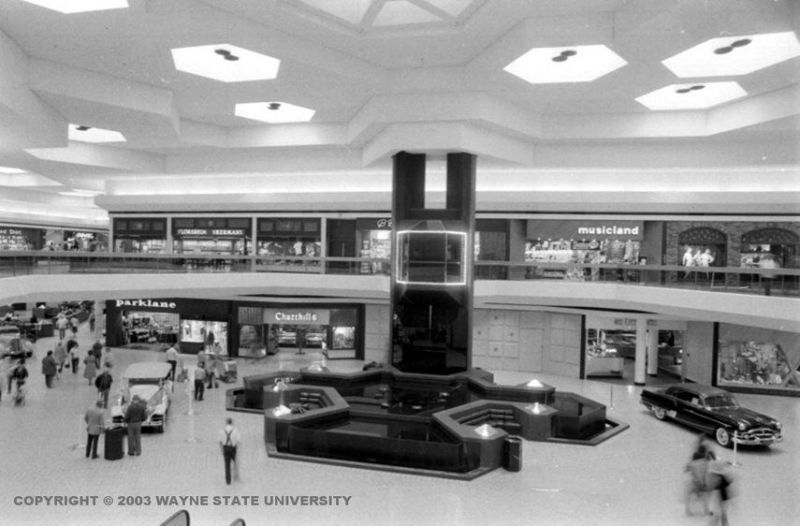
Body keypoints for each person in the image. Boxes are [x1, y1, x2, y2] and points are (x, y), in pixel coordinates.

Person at [218, 417, 242, 484]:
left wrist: (222, 450)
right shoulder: (235, 430)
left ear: (226, 422)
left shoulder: (222, 430)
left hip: (225, 448)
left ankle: (228, 480)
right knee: (236, 462)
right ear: (232, 423)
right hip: (233, 448)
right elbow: (238, 440)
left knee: (227, 464)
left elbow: (220, 441)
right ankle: (236, 476)